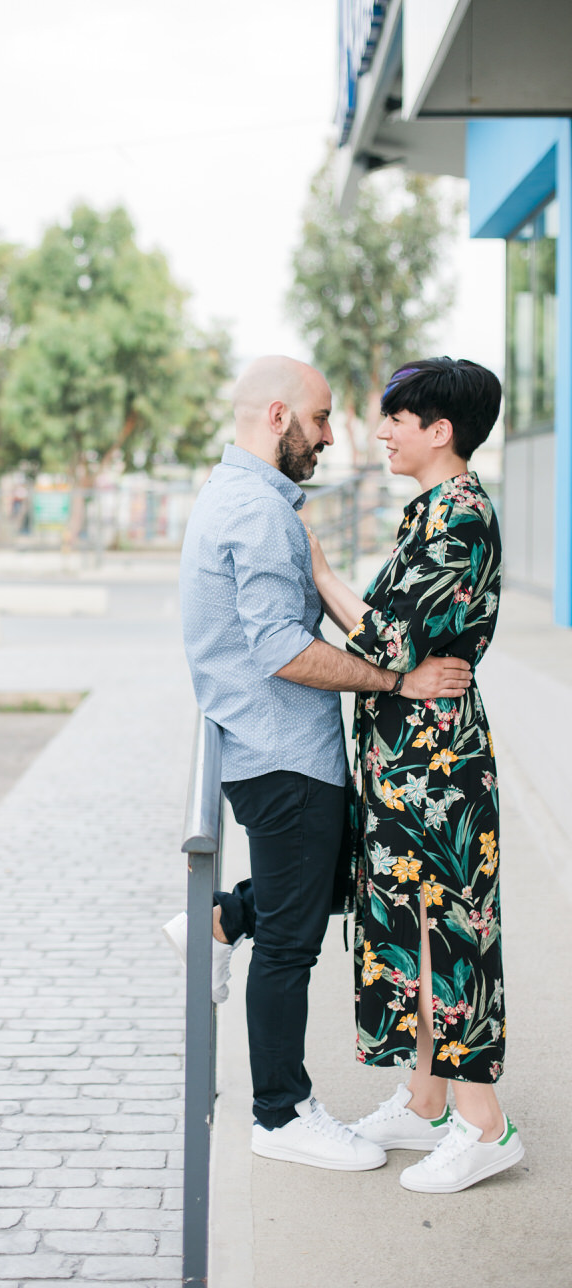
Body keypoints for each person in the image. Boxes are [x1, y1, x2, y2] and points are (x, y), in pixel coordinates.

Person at [173, 355, 472, 1172]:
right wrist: (398, 678)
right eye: (323, 418)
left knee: (329, 884)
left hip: (272, 752)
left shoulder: (235, 496)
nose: (334, 436)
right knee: (293, 944)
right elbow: (283, 650)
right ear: (278, 417)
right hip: (285, 756)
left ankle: (227, 916)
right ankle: (281, 1113)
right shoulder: (261, 514)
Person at [309, 356, 524, 1193]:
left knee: (450, 936)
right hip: (406, 760)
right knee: (409, 929)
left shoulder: (461, 516)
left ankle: (484, 1122)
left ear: (443, 431)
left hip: (439, 769)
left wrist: (321, 570)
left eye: (400, 417)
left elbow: (390, 641)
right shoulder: (428, 511)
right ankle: (426, 1099)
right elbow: (403, 648)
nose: (385, 430)